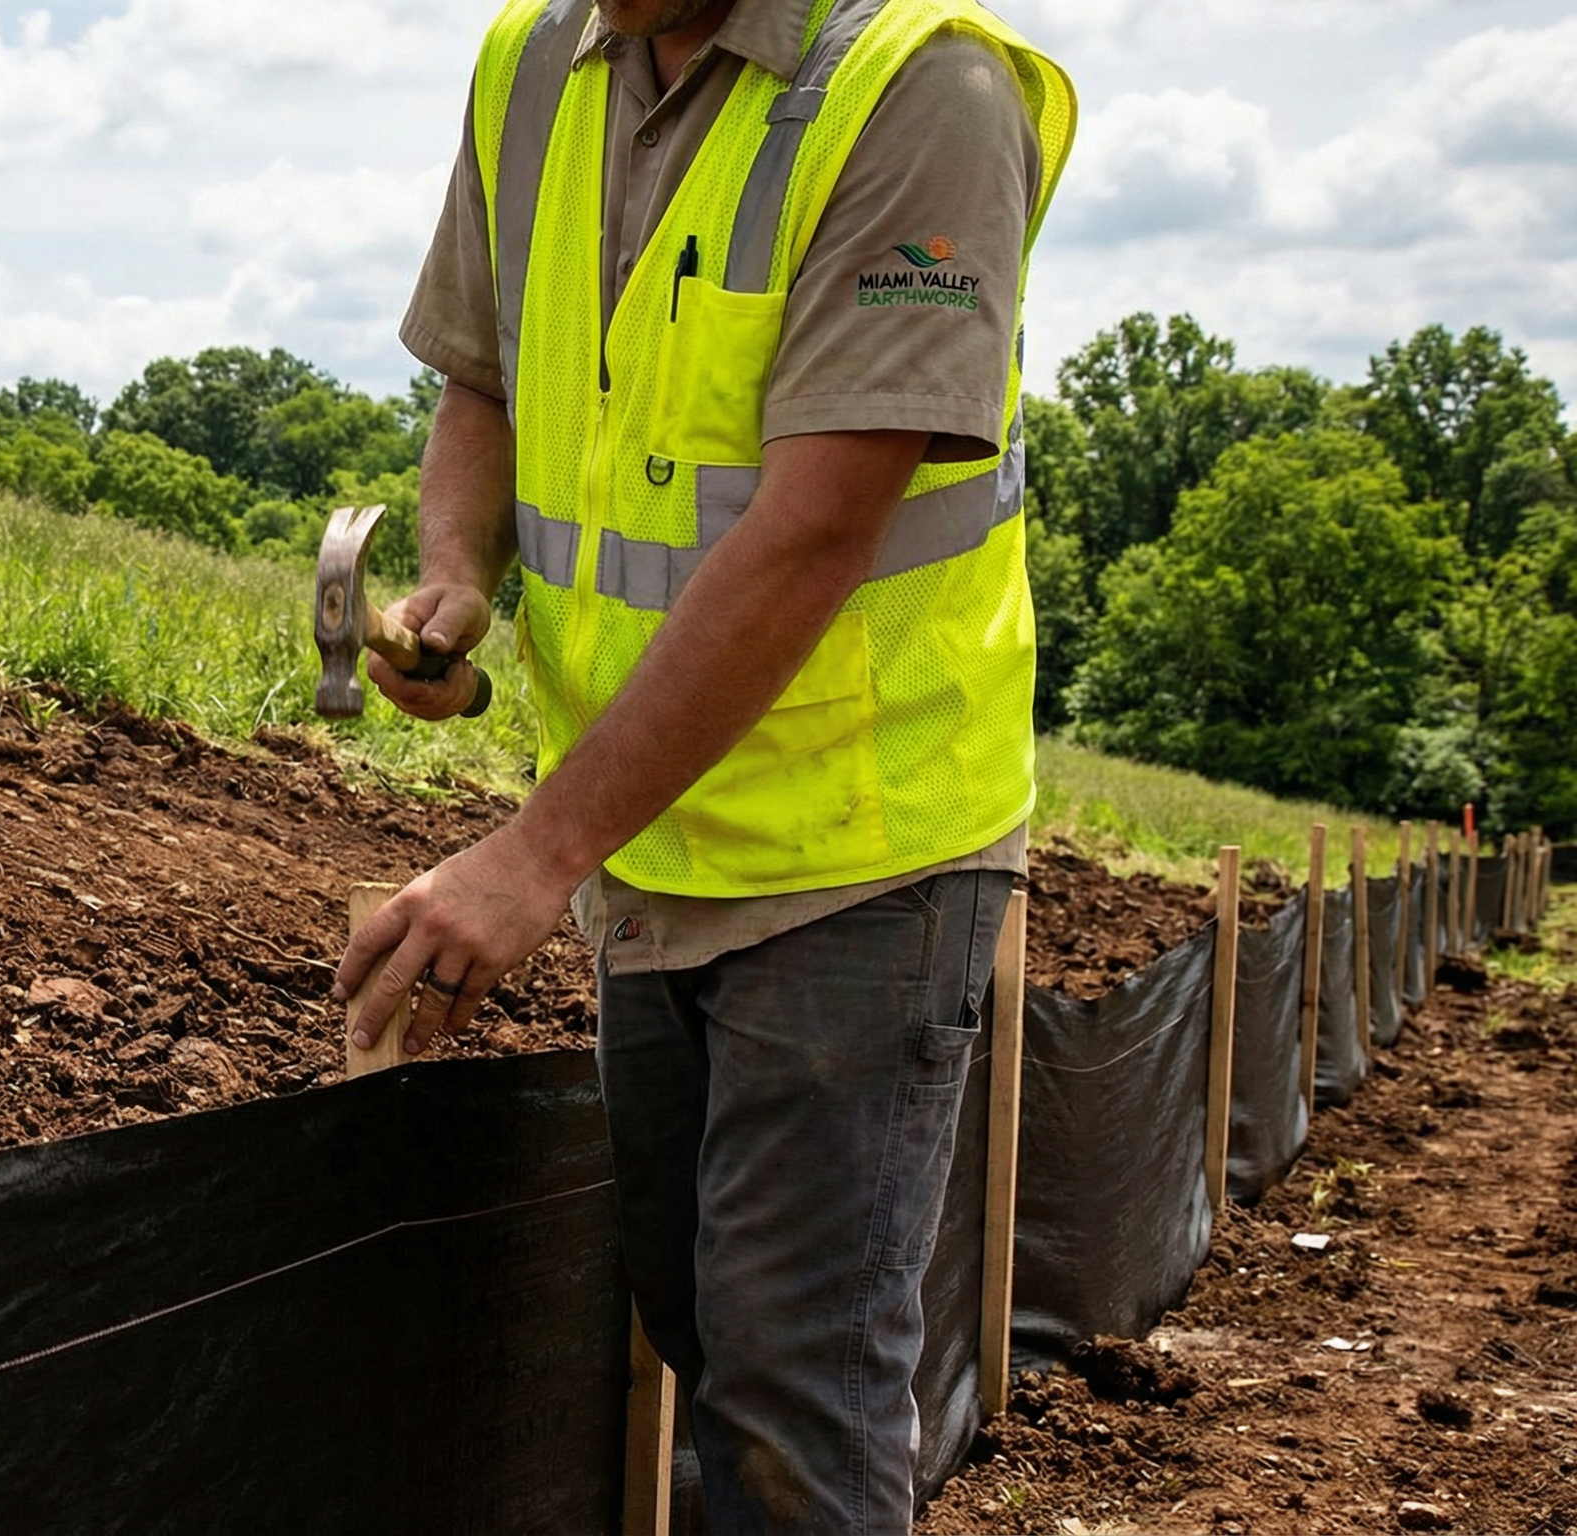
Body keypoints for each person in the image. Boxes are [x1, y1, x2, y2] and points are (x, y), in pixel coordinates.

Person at [329, 0, 1074, 1529]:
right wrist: (459, 574)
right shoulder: (533, 61)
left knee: (797, 1393)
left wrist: (530, 855)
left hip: (866, 843)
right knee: (695, 1314)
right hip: (654, 839)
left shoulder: (920, 91)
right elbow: (486, 375)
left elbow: (813, 529)